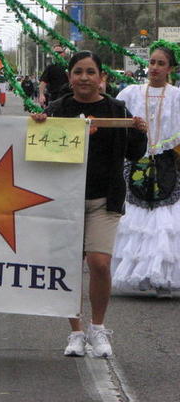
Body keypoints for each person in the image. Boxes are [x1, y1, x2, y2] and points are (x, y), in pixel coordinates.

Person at [32, 51, 147, 358]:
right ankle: (76, 332)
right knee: (70, 267)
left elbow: (134, 153)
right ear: (69, 77)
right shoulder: (58, 108)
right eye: (78, 72)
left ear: (101, 77)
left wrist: (139, 132)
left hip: (104, 200)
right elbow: (41, 153)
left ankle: (98, 328)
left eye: (90, 72)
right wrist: (40, 125)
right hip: (66, 202)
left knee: (99, 263)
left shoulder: (116, 109)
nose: (84, 77)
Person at [112, 43, 180, 297]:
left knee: (164, 220)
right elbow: (114, 116)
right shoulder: (130, 93)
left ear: (170, 68)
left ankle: (162, 276)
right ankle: (137, 274)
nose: (154, 68)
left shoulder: (176, 96)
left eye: (161, 64)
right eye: (152, 62)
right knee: (136, 218)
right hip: (136, 161)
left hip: (166, 163)